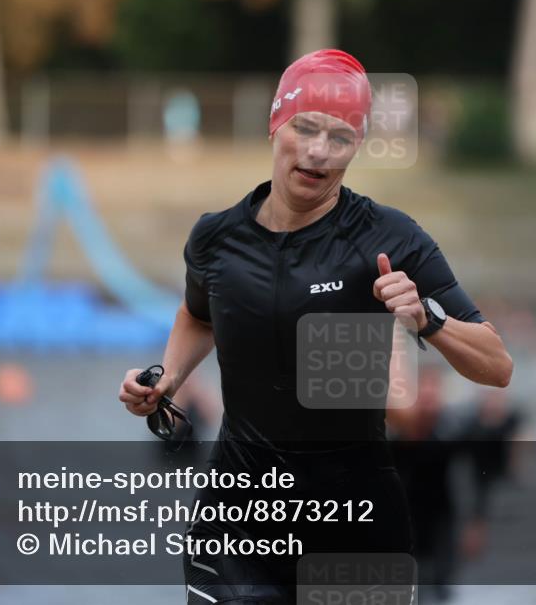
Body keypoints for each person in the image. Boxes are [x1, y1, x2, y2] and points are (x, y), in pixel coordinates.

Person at [118, 48, 513, 604]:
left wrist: (429, 320)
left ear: (357, 146)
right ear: (275, 124)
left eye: (340, 137)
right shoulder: (215, 239)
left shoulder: (389, 238)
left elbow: (497, 366)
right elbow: (198, 313)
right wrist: (166, 381)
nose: (319, 151)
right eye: (304, 128)